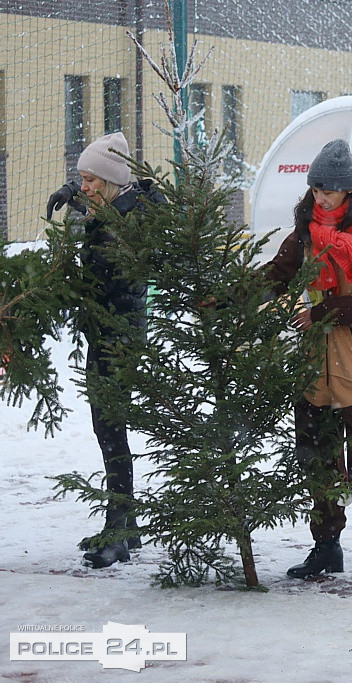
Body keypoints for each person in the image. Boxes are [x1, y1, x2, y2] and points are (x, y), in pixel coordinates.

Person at [264, 138, 352, 587]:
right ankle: (326, 547)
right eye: (314, 190)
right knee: (318, 459)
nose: (319, 198)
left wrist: (324, 313)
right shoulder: (307, 230)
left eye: (328, 191)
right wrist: (226, 298)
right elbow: (276, 275)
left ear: (348, 191)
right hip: (315, 367)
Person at [45, 131, 164, 568]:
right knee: (107, 431)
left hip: (121, 337)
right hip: (107, 333)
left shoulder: (132, 222)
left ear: (112, 181)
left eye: (91, 179)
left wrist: (69, 288)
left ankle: (121, 530)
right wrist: (74, 195)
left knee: (112, 432)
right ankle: (123, 525)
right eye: (81, 177)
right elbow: (105, 208)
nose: (85, 186)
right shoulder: (118, 206)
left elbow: (111, 276)